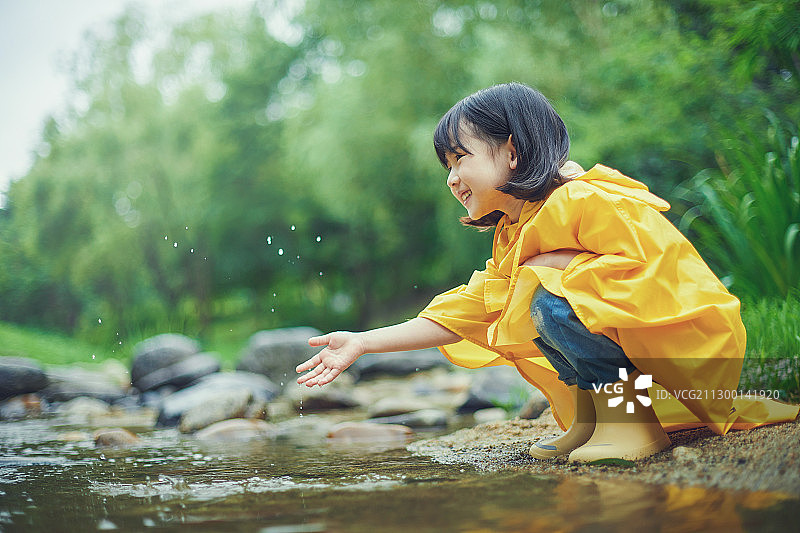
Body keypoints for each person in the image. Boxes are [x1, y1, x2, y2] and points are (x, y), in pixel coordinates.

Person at [296, 82, 799, 462]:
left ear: (512, 152)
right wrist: (366, 341)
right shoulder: (515, 230)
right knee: (530, 299)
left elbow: (656, 277)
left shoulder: (586, 197)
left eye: (459, 159)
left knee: (551, 295)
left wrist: (567, 266)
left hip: (687, 340)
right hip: (641, 336)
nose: (451, 179)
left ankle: (633, 424)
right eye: (445, 167)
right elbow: (471, 309)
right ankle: (592, 418)